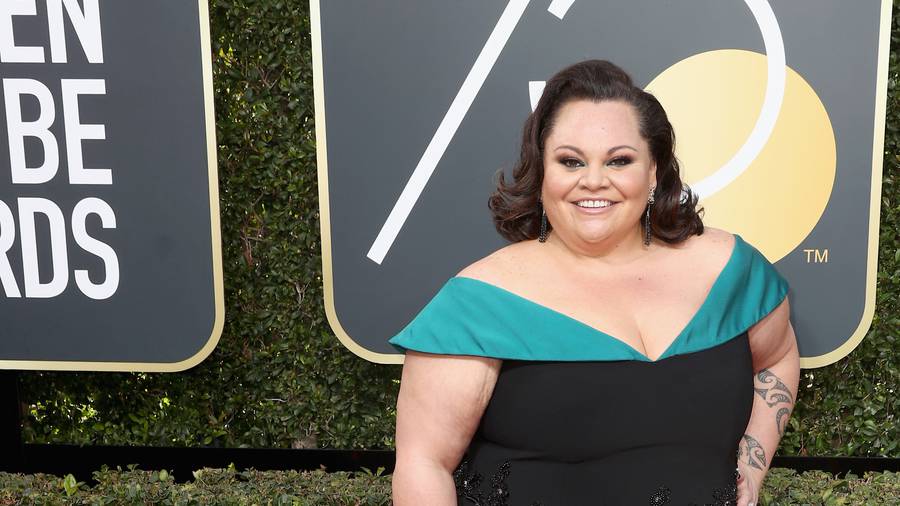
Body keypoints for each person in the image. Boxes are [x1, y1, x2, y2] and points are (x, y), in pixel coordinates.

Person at [388, 59, 800, 505]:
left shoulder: (729, 269)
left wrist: (751, 466)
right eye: (571, 161)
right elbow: (423, 464)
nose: (594, 181)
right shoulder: (479, 302)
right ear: (542, 172)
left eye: (619, 160)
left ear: (653, 171)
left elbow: (778, 358)